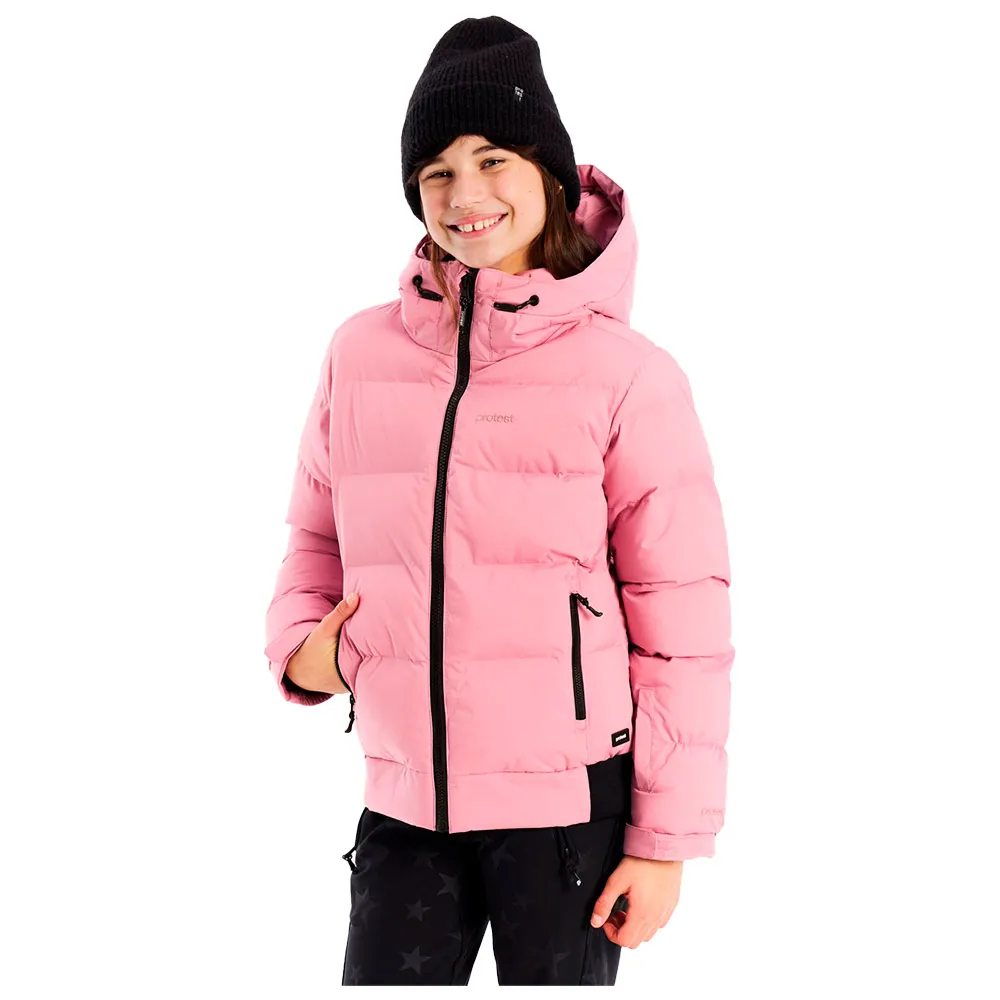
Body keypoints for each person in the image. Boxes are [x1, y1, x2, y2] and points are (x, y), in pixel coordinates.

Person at [263, 15, 734, 987]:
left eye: (492, 160)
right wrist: (305, 649)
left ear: (549, 175)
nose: (465, 194)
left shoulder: (628, 376)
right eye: (436, 171)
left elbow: (683, 622)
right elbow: (312, 536)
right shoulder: (359, 353)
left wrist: (665, 840)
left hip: (567, 810)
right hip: (405, 798)